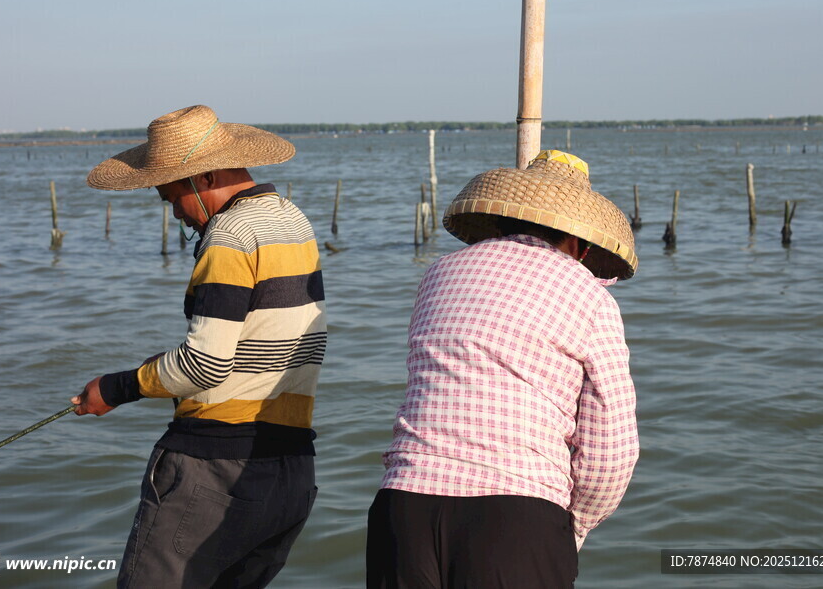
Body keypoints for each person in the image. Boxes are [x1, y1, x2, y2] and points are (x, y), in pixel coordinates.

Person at [72, 105, 326, 588]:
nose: (176, 214)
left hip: (215, 468)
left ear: (203, 175)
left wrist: (116, 387)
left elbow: (205, 364)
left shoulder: (229, 234)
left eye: (172, 198)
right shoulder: (292, 220)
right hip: (290, 468)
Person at [367, 150, 639, 588]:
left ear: (500, 222)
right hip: (515, 515)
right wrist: (575, 526)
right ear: (582, 246)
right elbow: (611, 453)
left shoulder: (439, 273)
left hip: (404, 505)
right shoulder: (590, 297)